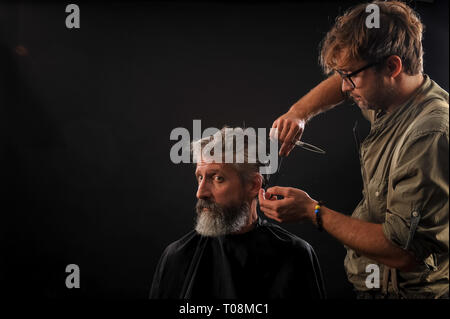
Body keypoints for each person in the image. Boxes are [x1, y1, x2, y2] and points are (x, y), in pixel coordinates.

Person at [259, 1, 448, 299]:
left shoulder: (428, 134)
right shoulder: (389, 96)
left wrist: (313, 211)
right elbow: (348, 78)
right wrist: (299, 113)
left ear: (392, 66)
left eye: (350, 76)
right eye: (342, 75)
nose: (345, 87)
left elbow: (402, 253)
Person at [150, 127, 326, 299]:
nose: (200, 192)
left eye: (217, 178)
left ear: (253, 185)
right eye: (200, 177)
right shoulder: (177, 257)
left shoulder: (295, 255)